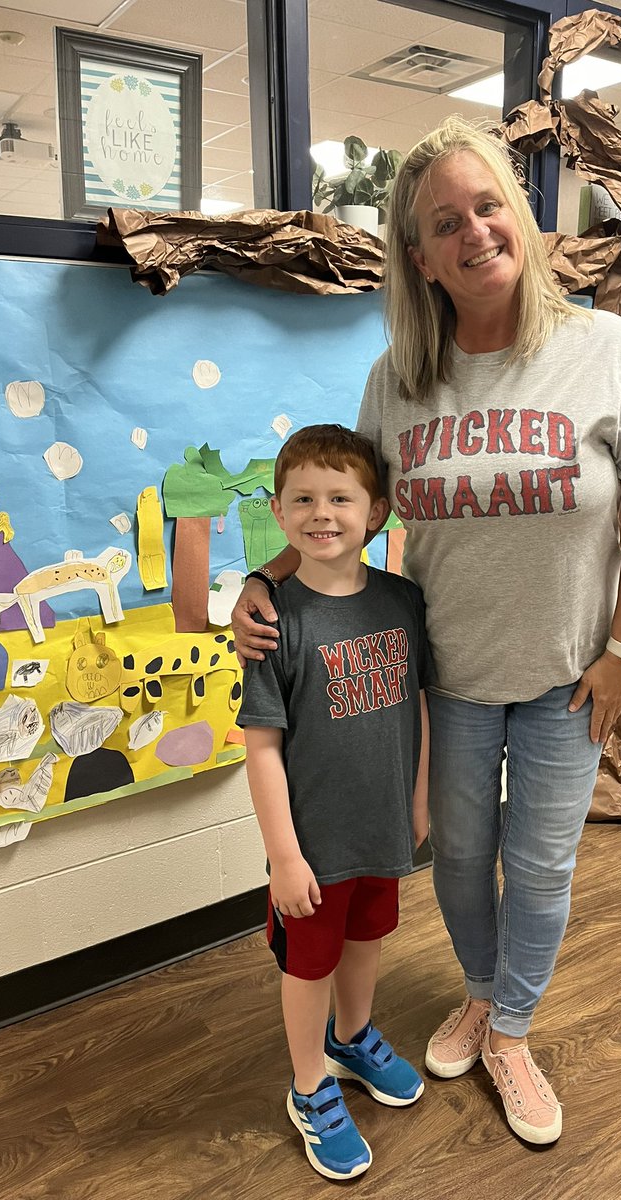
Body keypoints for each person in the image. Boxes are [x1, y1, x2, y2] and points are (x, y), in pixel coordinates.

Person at [233, 117, 621, 1147]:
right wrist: (263, 579)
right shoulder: (399, 378)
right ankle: (480, 996)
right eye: (446, 222)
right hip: (446, 682)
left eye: (488, 206)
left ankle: (512, 1031)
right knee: (459, 861)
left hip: (571, 679)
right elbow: (347, 512)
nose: (474, 231)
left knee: (543, 868)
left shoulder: (604, 351)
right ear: (422, 257)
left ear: (518, 215)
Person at [238, 424, 432, 1181]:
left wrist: (419, 799)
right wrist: (284, 857)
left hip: (383, 827)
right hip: (312, 846)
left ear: (376, 512)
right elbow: (261, 748)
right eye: (303, 499)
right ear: (279, 513)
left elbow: (419, 706)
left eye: (340, 498)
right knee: (309, 965)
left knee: (368, 938)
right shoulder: (272, 623)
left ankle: (351, 1038)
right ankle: (310, 1085)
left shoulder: (403, 601)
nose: (322, 513)